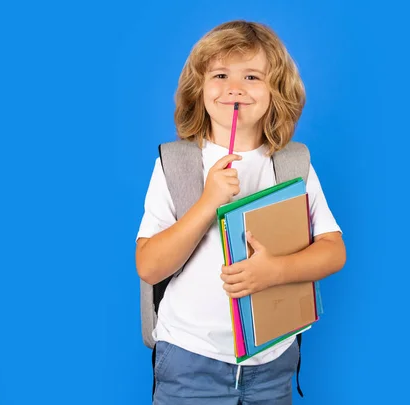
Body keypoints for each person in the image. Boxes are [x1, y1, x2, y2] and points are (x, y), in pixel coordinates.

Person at [135, 20, 346, 405]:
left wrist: (274, 272)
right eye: (219, 74)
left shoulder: (292, 163)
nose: (234, 88)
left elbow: (334, 249)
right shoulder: (177, 163)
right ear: (198, 90)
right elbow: (149, 267)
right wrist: (206, 204)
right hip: (189, 361)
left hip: (273, 362)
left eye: (252, 76)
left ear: (275, 92)